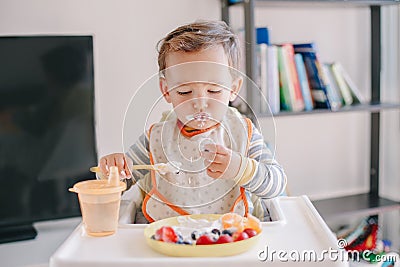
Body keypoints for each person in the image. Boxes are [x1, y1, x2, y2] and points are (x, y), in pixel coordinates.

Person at [98, 20, 287, 223]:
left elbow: (277, 185)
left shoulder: (242, 132)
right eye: (185, 92)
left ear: (233, 88)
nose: (199, 104)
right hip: (166, 237)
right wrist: (112, 172)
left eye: (213, 90)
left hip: (232, 236)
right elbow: (119, 184)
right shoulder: (157, 139)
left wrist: (241, 169)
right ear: (166, 90)